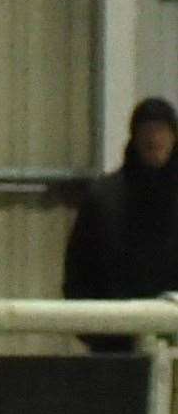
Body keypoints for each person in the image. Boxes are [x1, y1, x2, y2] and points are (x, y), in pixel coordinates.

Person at [64, 96, 178, 352]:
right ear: (134, 137)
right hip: (113, 347)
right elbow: (78, 271)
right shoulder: (103, 198)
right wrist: (96, 332)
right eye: (147, 131)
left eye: (162, 131)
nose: (155, 140)